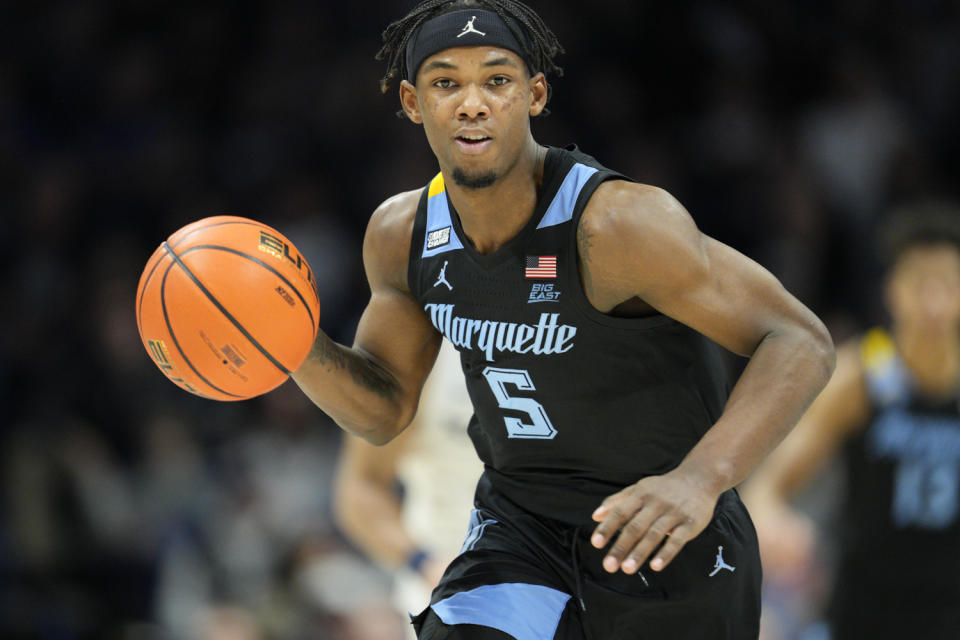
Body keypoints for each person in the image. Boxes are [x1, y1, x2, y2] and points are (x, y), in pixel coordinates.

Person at [291, 1, 835, 637]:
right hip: (520, 527)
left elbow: (800, 340)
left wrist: (700, 478)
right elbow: (382, 414)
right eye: (446, 83)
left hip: (664, 530)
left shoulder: (618, 223)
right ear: (413, 103)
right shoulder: (399, 235)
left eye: (497, 80)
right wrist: (294, 347)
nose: (472, 103)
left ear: (535, 94)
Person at [743, 203, 960, 640]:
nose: (935, 302)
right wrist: (771, 512)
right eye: (921, 284)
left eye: (948, 283)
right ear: (893, 289)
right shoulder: (865, 373)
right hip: (866, 607)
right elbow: (771, 480)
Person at [334, 339, 481, 640]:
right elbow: (360, 489)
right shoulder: (420, 341)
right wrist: (423, 563)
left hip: (560, 573)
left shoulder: (581, 330)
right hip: (446, 580)